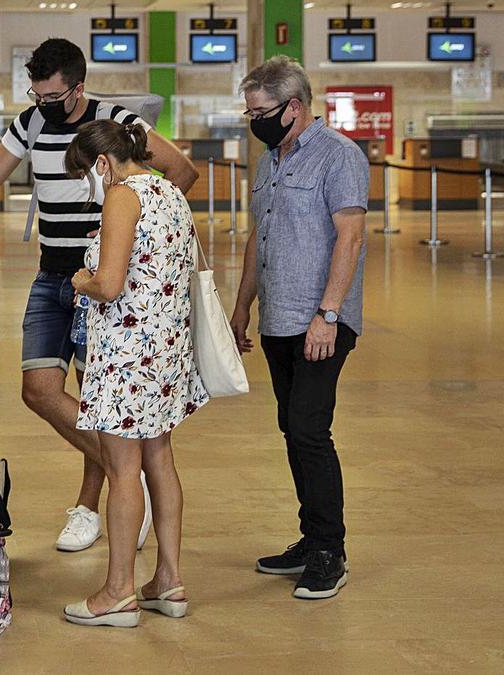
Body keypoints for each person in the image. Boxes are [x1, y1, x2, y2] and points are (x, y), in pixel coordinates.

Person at [0, 38, 198, 553]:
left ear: (78, 88)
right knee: (39, 389)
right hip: (53, 277)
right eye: (35, 94)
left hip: (106, 284)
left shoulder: (115, 122)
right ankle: (126, 479)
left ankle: (90, 507)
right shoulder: (31, 123)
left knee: (101, 404)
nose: (41, 104)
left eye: (51, 96)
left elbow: (181, 172)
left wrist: (136, 234)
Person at [230, 56, 367, 600]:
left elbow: (350, 239)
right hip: (278, 318)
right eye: (248, 111)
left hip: (322, 322)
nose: (253, 120)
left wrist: (328, 315)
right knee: (293, 428)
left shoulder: (339, 157)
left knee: (310, 428)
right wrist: (241, 308)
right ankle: (311, 539)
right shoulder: (268, 162)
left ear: (294, 106)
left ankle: (330, 550)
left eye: (260, 111)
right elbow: (255, 240)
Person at [62, 120, 208, 628]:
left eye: (85, 173)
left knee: (123, 470)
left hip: (127, 356)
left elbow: (108, 283)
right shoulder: (169, 191)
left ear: (103, 164)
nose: (88, 185)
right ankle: (168, 579)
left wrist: (82, 277)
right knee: (160, 461)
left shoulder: (123, 197)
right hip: (165, 353)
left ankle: (117, 591)